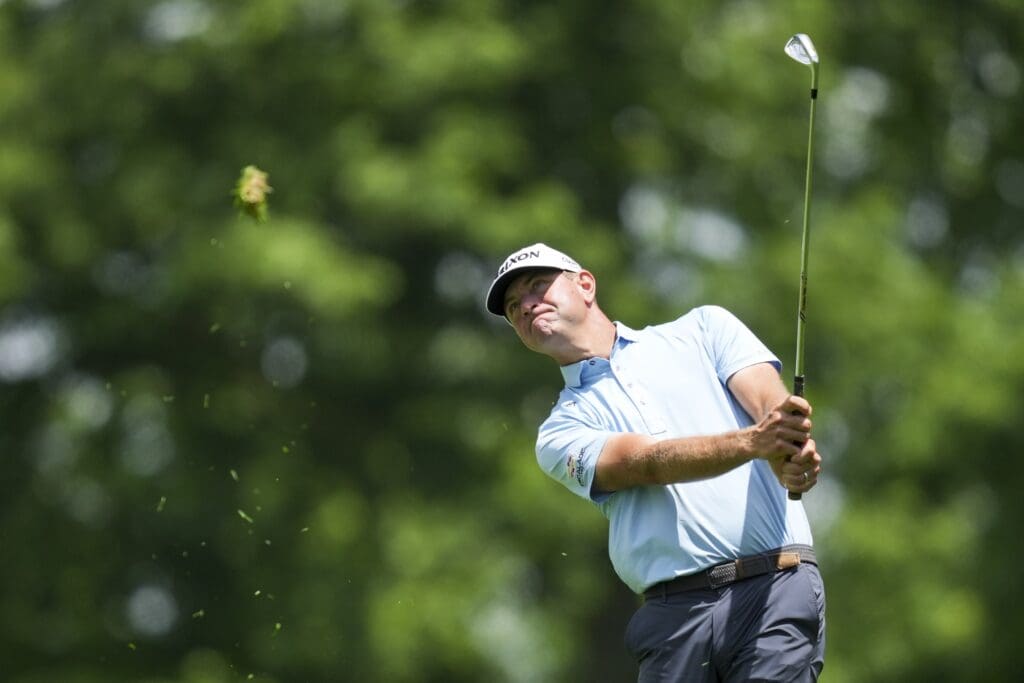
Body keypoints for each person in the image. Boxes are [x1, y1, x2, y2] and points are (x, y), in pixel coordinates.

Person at [485, 243, 826, 682]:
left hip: (774, 587)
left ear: (585, 285)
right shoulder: (559, 431)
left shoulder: (703, 330)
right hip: (674, 617)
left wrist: (785, 449)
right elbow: (643, 463)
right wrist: (756, 443)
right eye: (514, 307)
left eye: (537, 287)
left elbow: (767, 400)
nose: (527, 305)